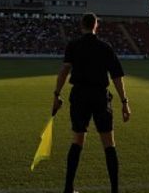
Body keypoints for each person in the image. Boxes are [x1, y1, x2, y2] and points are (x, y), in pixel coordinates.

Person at [52, 13, 130, 193]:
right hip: (100, 97)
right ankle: (114, 190)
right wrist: (125, 102)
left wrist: (56, 95)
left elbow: (64, 71)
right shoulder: (105, 47)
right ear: (96, 25)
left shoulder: (73, 45)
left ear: (82, 25)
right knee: (109, 144)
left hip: (79, 96)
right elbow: (117, 76)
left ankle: (68, 188)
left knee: (77, 140)